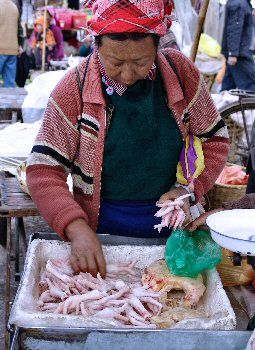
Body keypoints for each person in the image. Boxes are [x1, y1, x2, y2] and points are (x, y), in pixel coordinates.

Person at [27, 0, 230, 277]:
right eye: (116, 62)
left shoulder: (180, 74)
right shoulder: (73, 88)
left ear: (158, 45)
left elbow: (215, 139)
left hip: (173, 232)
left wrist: (189, 190)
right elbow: (43, 170)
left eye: (139, 62)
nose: (127, 74)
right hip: (100, 233)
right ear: (96, 46)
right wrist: (76, 228)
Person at [221, 0, 255, 92]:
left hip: (239, 53)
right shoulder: (239, 4)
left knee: (228, 88)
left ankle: (217, 106)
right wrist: (233, 53)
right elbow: (234, 29)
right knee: (250, 87)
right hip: (240, 55)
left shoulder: (242, 3)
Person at [0, 0, 23, 87]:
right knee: (9, 83)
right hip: (12, 49)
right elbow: (20, 30)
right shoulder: (14, 7)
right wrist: (19, 44)